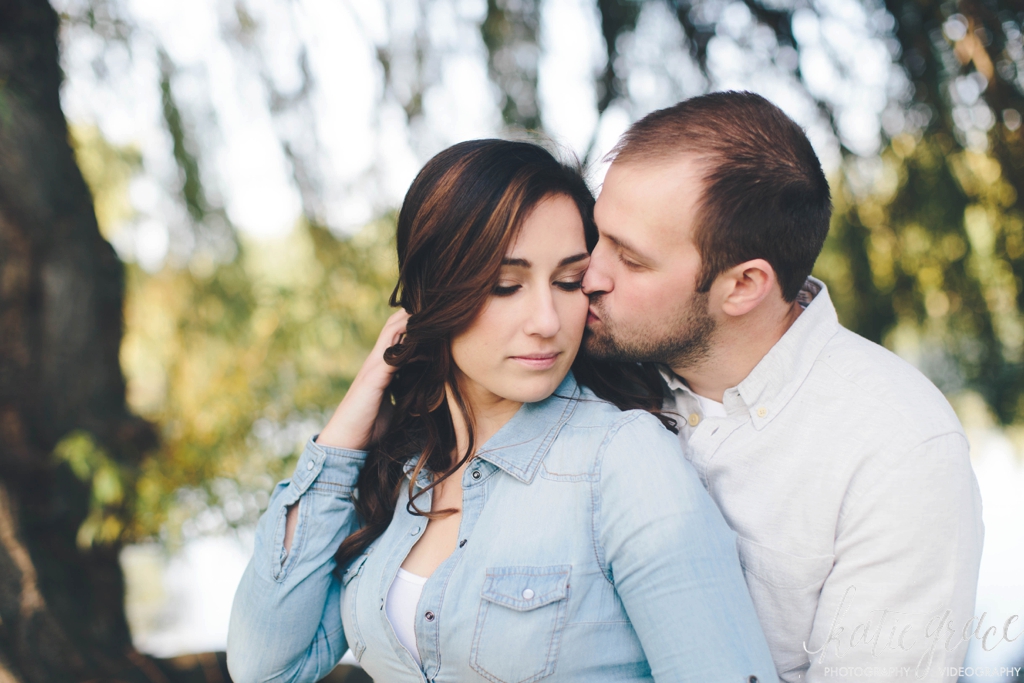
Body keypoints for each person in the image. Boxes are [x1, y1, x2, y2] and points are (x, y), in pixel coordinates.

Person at [226, 139, 778, 683]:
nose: (546, 319)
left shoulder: (624, 459)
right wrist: (349, 426)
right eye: (506, 286)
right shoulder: (402, 467)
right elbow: (266, 666)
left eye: (568, 282)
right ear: (436, 295)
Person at [581, 91, 985, 682]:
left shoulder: (900, 451)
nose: (589, 274)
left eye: (631, 260)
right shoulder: (587, 371)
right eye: (598, 235)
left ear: (743, 286)